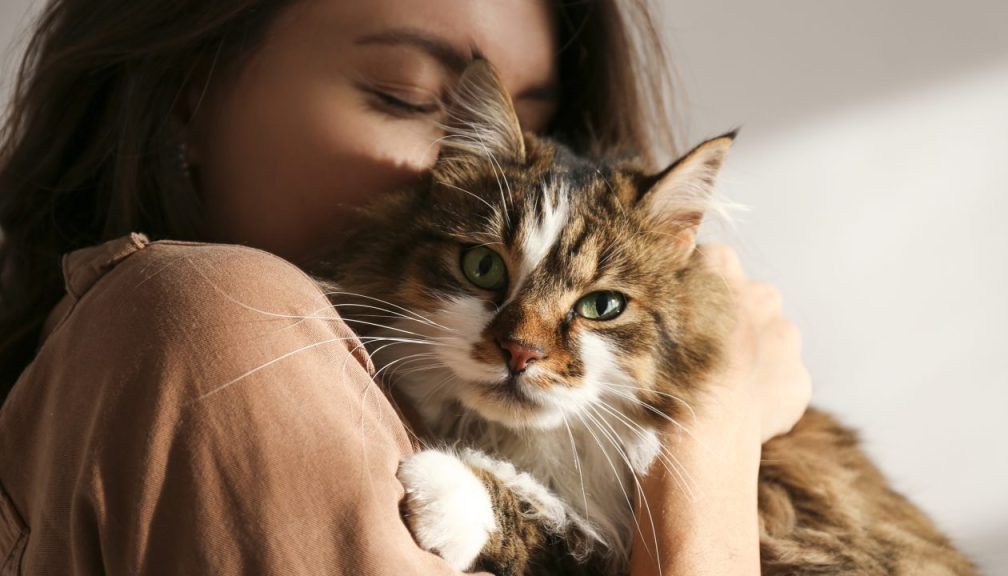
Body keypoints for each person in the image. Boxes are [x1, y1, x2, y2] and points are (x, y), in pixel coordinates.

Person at [0, 0, 812, 574]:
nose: (467, 174)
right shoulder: (219, 320)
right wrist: (713, 435)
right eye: (414, 98)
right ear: (188, 92)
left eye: (534, 126)